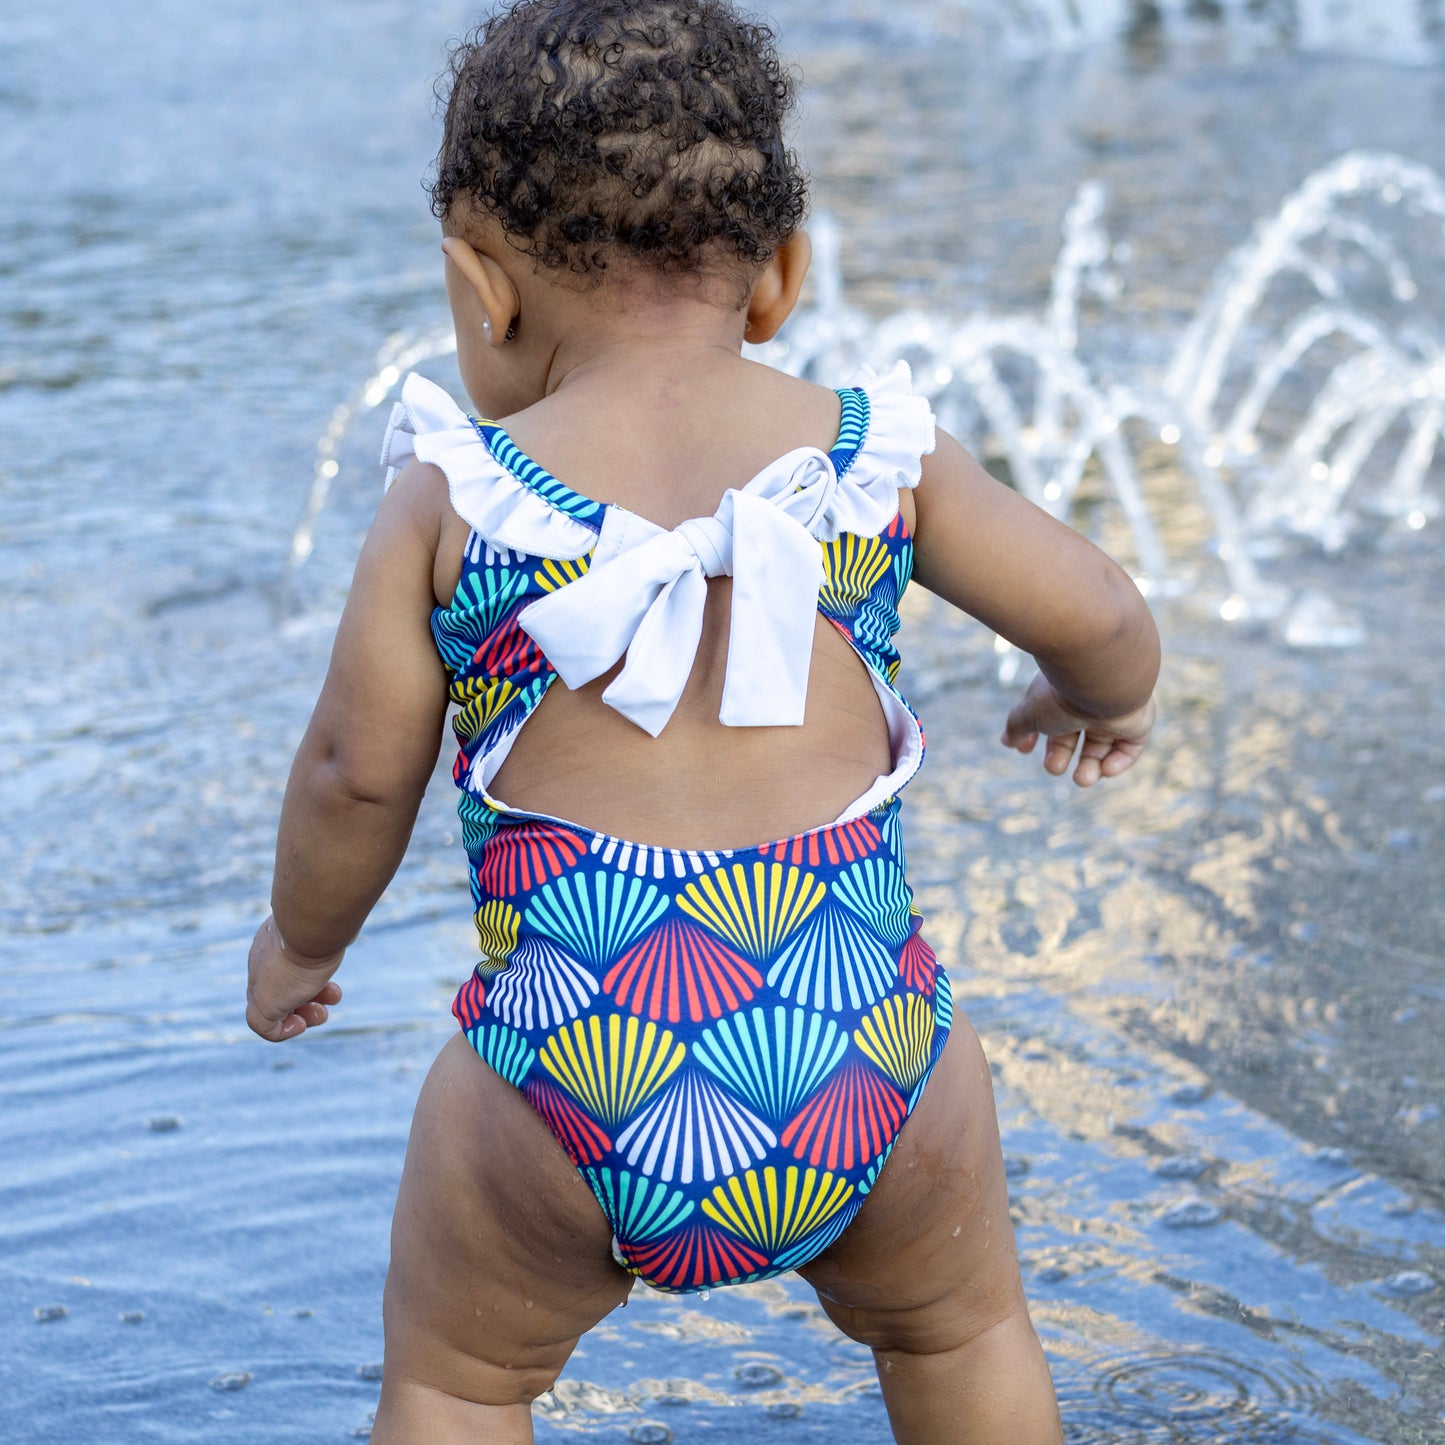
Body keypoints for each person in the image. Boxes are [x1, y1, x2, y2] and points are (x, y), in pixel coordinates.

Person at [246, 2, 1157, 1440]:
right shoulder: (871, 460)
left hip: (569, 1069)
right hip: (867, 1049)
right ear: (782, 272)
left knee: (459, 1377)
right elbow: (1099, 608)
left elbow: (356, 774)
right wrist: (1097, 698)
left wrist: (303, 944)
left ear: (481, 286)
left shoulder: (456, 502)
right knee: (961, 1329)